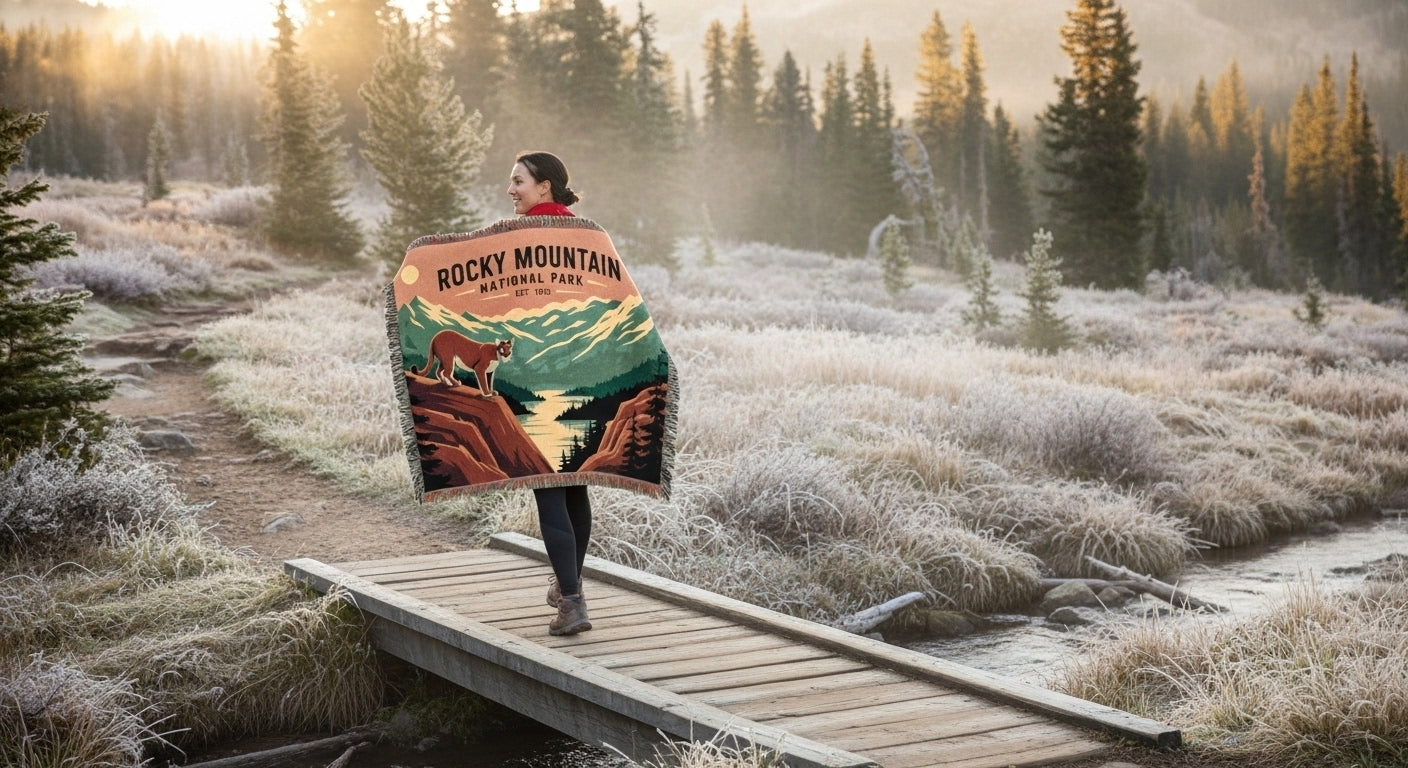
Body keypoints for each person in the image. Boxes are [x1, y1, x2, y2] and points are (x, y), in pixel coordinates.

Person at [506, 150, 593, 636]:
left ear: (545, 187)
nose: (511, 189)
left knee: (547, 490)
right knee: (574, 486)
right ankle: (568, 587)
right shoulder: (588, 236)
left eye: (518, 181)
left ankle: (572, 602)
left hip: (539, 379)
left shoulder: (515, 239)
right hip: (585, 380)